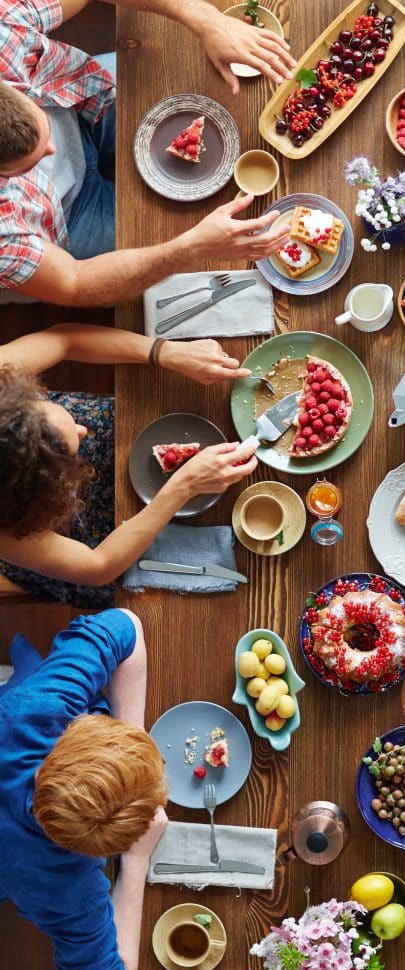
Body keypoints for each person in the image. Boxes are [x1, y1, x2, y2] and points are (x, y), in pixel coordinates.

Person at [0, 0, 295, 301]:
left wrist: (205, 18)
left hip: (80, 100)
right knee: (165, 235)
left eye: (44, 129)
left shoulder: (3, 32)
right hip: (68, 219)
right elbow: (75, 283)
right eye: (31, 163)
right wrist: (193, 247)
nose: (52, 149)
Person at [0, 323, 259, 605]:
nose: (83, 430)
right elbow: (98, 566)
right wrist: (183, 487)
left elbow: (65, 340)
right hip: (86, 536)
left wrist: (163, 351)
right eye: (67, 452)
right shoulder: (8, 529)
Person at [0, 607, 169, 970]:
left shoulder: (42, 705)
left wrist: (126, 747)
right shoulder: (65, 886)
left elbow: (126, 623)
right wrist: (137, 862)